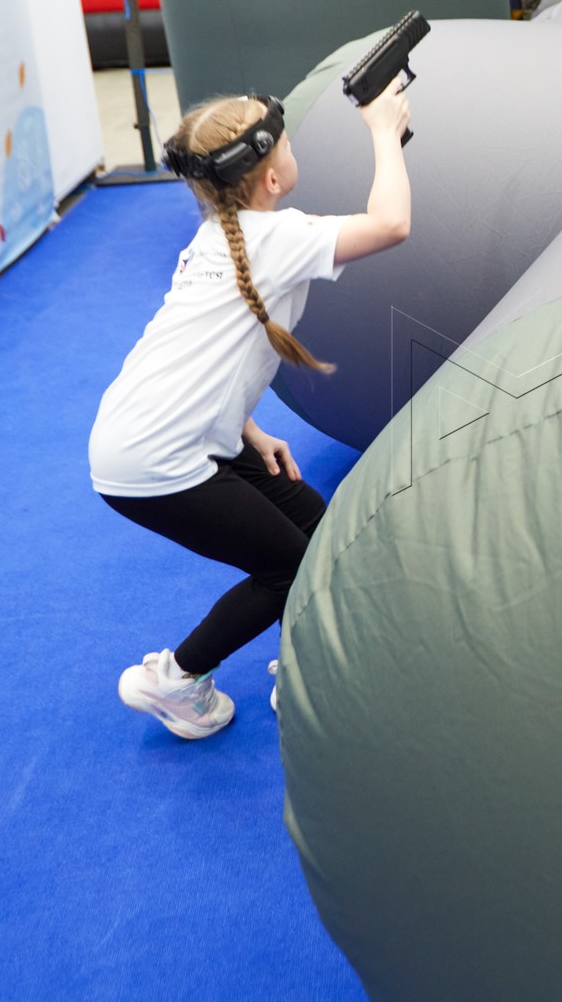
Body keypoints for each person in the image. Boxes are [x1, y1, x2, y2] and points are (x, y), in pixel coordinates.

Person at [98, 84, 413, 739]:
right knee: (285, 566)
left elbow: (200, 357)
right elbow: (391, 225)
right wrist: (385, 129)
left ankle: (303, 660)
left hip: (152, 430)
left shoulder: (218, 236)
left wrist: (248, 429)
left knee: (310, 520)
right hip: (156, 458)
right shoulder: (278, 236)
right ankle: (176, 680)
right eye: (289, 146)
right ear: (272, 177)